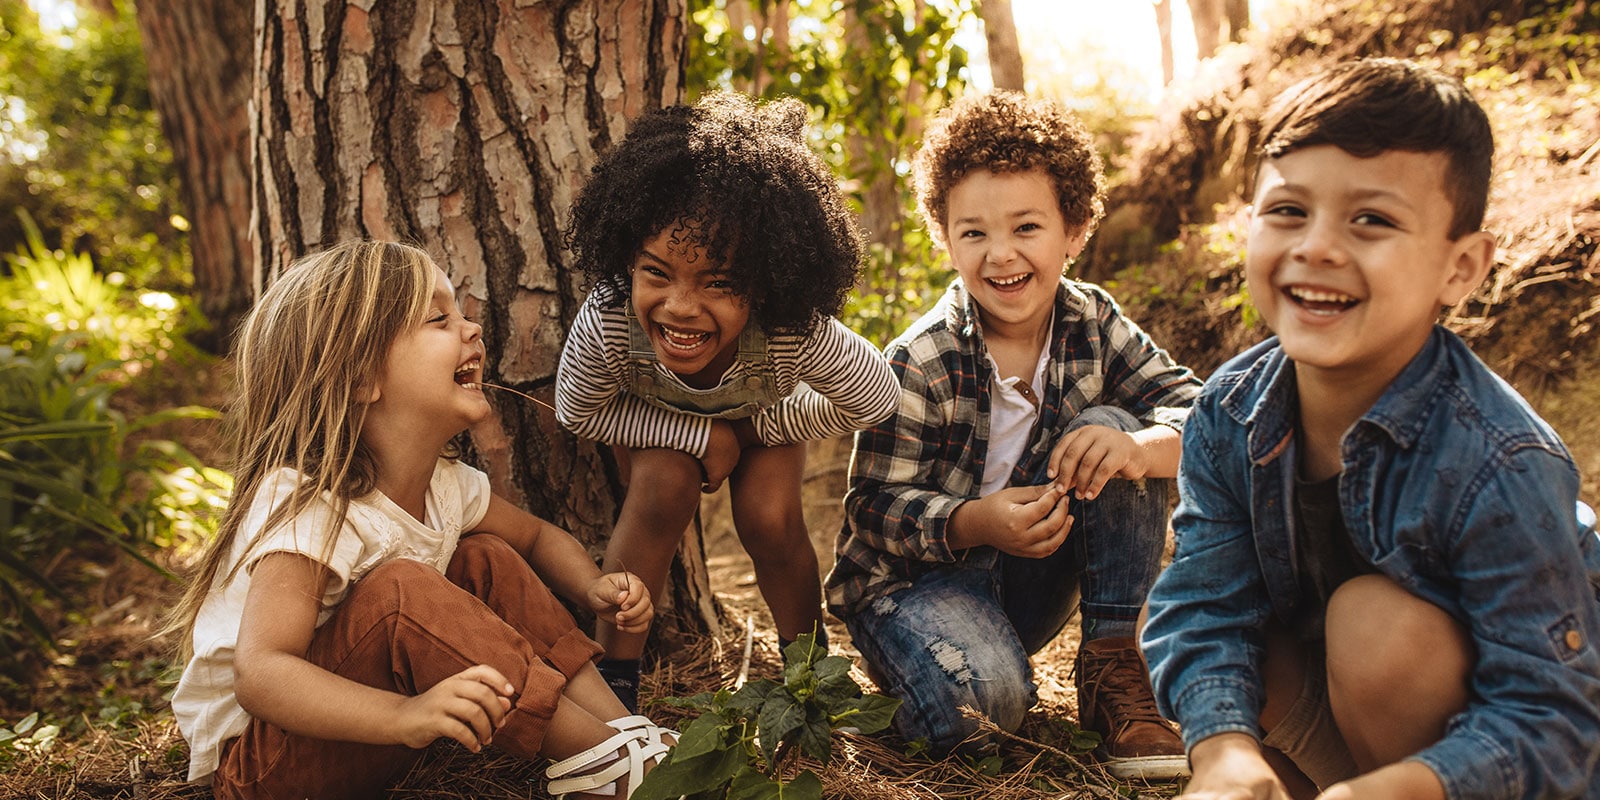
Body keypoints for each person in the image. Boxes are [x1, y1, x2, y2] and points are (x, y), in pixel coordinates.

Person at [1141, 58, 1600, 800]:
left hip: (1507, 761)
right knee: (1194, 628)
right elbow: (1204, 605)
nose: (1318, 247)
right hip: (1349, 720)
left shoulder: (1500, 459)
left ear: (1461, 268)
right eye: (1289, 210)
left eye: (1373, 220)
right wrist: (1223, 750)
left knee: (1375, 628)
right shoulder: (1229, 410)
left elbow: (1553, 717)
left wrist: (1398, 789)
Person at [165, 241, 675, 800]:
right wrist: (405, 716)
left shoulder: (444, 484)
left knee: (485, 558)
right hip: (265, 765)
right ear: (362, 376)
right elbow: (261, 674)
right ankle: (602, 763)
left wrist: (591, 584)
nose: (472, 328)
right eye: (439, 319)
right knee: (401, 590)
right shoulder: (311, 503)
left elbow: (534, 536)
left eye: (460, 312)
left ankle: (623, 736)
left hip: (363, 737)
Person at [825, 91, 1201, 778]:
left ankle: (1114, 662)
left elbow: (1202, 413)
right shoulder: (921, 358)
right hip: (915, 589)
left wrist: (1140, 449)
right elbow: (872, 508)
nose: (1001, 255)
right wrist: (974, 522)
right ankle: (947, 671)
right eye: (974, 233)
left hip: (1030, 578)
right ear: (945, 239)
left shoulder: (1094, 322)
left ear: (1076, 229)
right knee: (987, 709)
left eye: (1027, 227)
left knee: (1114, 431)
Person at [555, 91, 899, 712]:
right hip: (658, 429)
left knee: (769, 518)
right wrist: (698, 436)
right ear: (627, 259)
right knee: (661, 488)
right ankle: (615, 691)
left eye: (719, 283)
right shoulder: (609, 321)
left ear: (767, 283)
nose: (681, 306)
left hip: (763, 423)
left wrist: (760, 426)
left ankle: (811, 677)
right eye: (656, 272)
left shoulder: (792, 331)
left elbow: (873, 396)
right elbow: (578, 410)